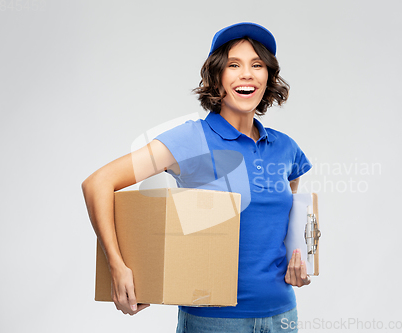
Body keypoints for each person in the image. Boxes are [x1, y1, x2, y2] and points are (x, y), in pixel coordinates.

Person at [82, 22, 312, 333]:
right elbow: (98, 183)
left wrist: (298, 264)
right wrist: (117, 266)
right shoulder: (192, 140)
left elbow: (291, 223)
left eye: (257, 65)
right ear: (217, 79)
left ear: (268, 77)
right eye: (234, 65)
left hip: (283, 317)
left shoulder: (285, 148)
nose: (247, 73)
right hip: (213, 321)